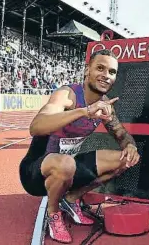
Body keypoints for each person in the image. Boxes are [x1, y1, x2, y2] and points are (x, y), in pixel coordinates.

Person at [19, 49, 140, 244]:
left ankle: (72, 198)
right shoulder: (68, 95)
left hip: (69, 166)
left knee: (124, 160)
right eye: (100, 68)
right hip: (35, 173)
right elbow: (36, 127)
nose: (106, 76)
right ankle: (53, 213)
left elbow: (122, 135)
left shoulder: (104, 105)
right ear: (87, 70)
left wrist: (130, 146)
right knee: (65, 164)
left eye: (111, 72)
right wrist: (83, 112)